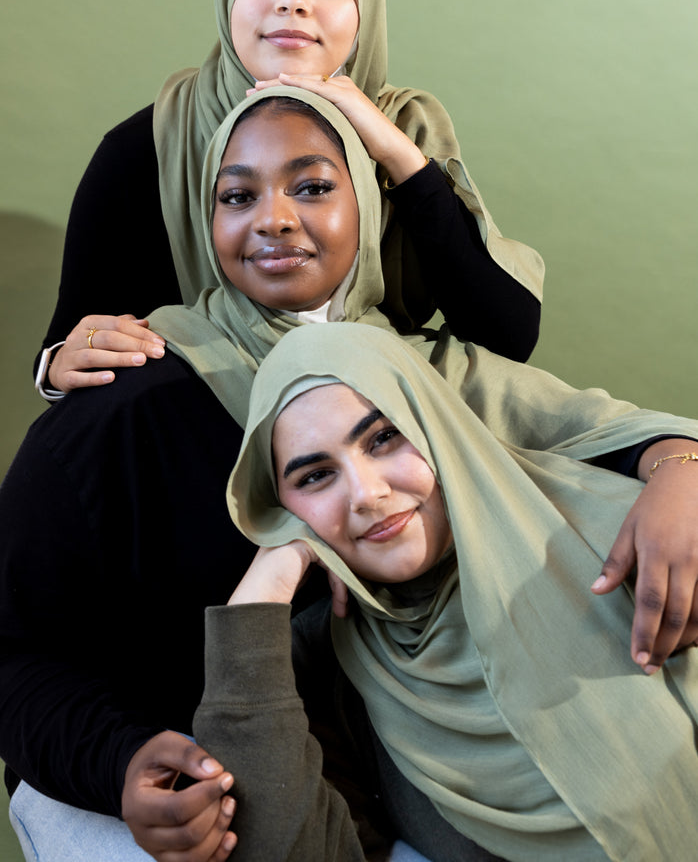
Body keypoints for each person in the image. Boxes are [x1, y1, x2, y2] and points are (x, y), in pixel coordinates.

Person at [0, 89, 690, 862]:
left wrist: (681, 472)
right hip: (184, 762)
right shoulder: (119, 406)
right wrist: (117, 761)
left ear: (365, 203)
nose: (274, 219)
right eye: (237, 195)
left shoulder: (430, 376)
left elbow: (610, 427)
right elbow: (16, 651)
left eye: (315, 186)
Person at [199, 320, 698, 861]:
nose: (367, 494)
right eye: (315, 476)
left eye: (384, 438)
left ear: (437, 426)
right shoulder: (324, 664)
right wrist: (263, 589)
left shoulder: (620, 535)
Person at [36, 0, 544, 400]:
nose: (293, 1)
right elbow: (74, 341)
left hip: (386, 427)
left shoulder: (403, 129)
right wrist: (61, 363)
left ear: (365, 6)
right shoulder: (149, 145)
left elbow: (505, 337)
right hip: (198, 438)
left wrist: (396, 157)